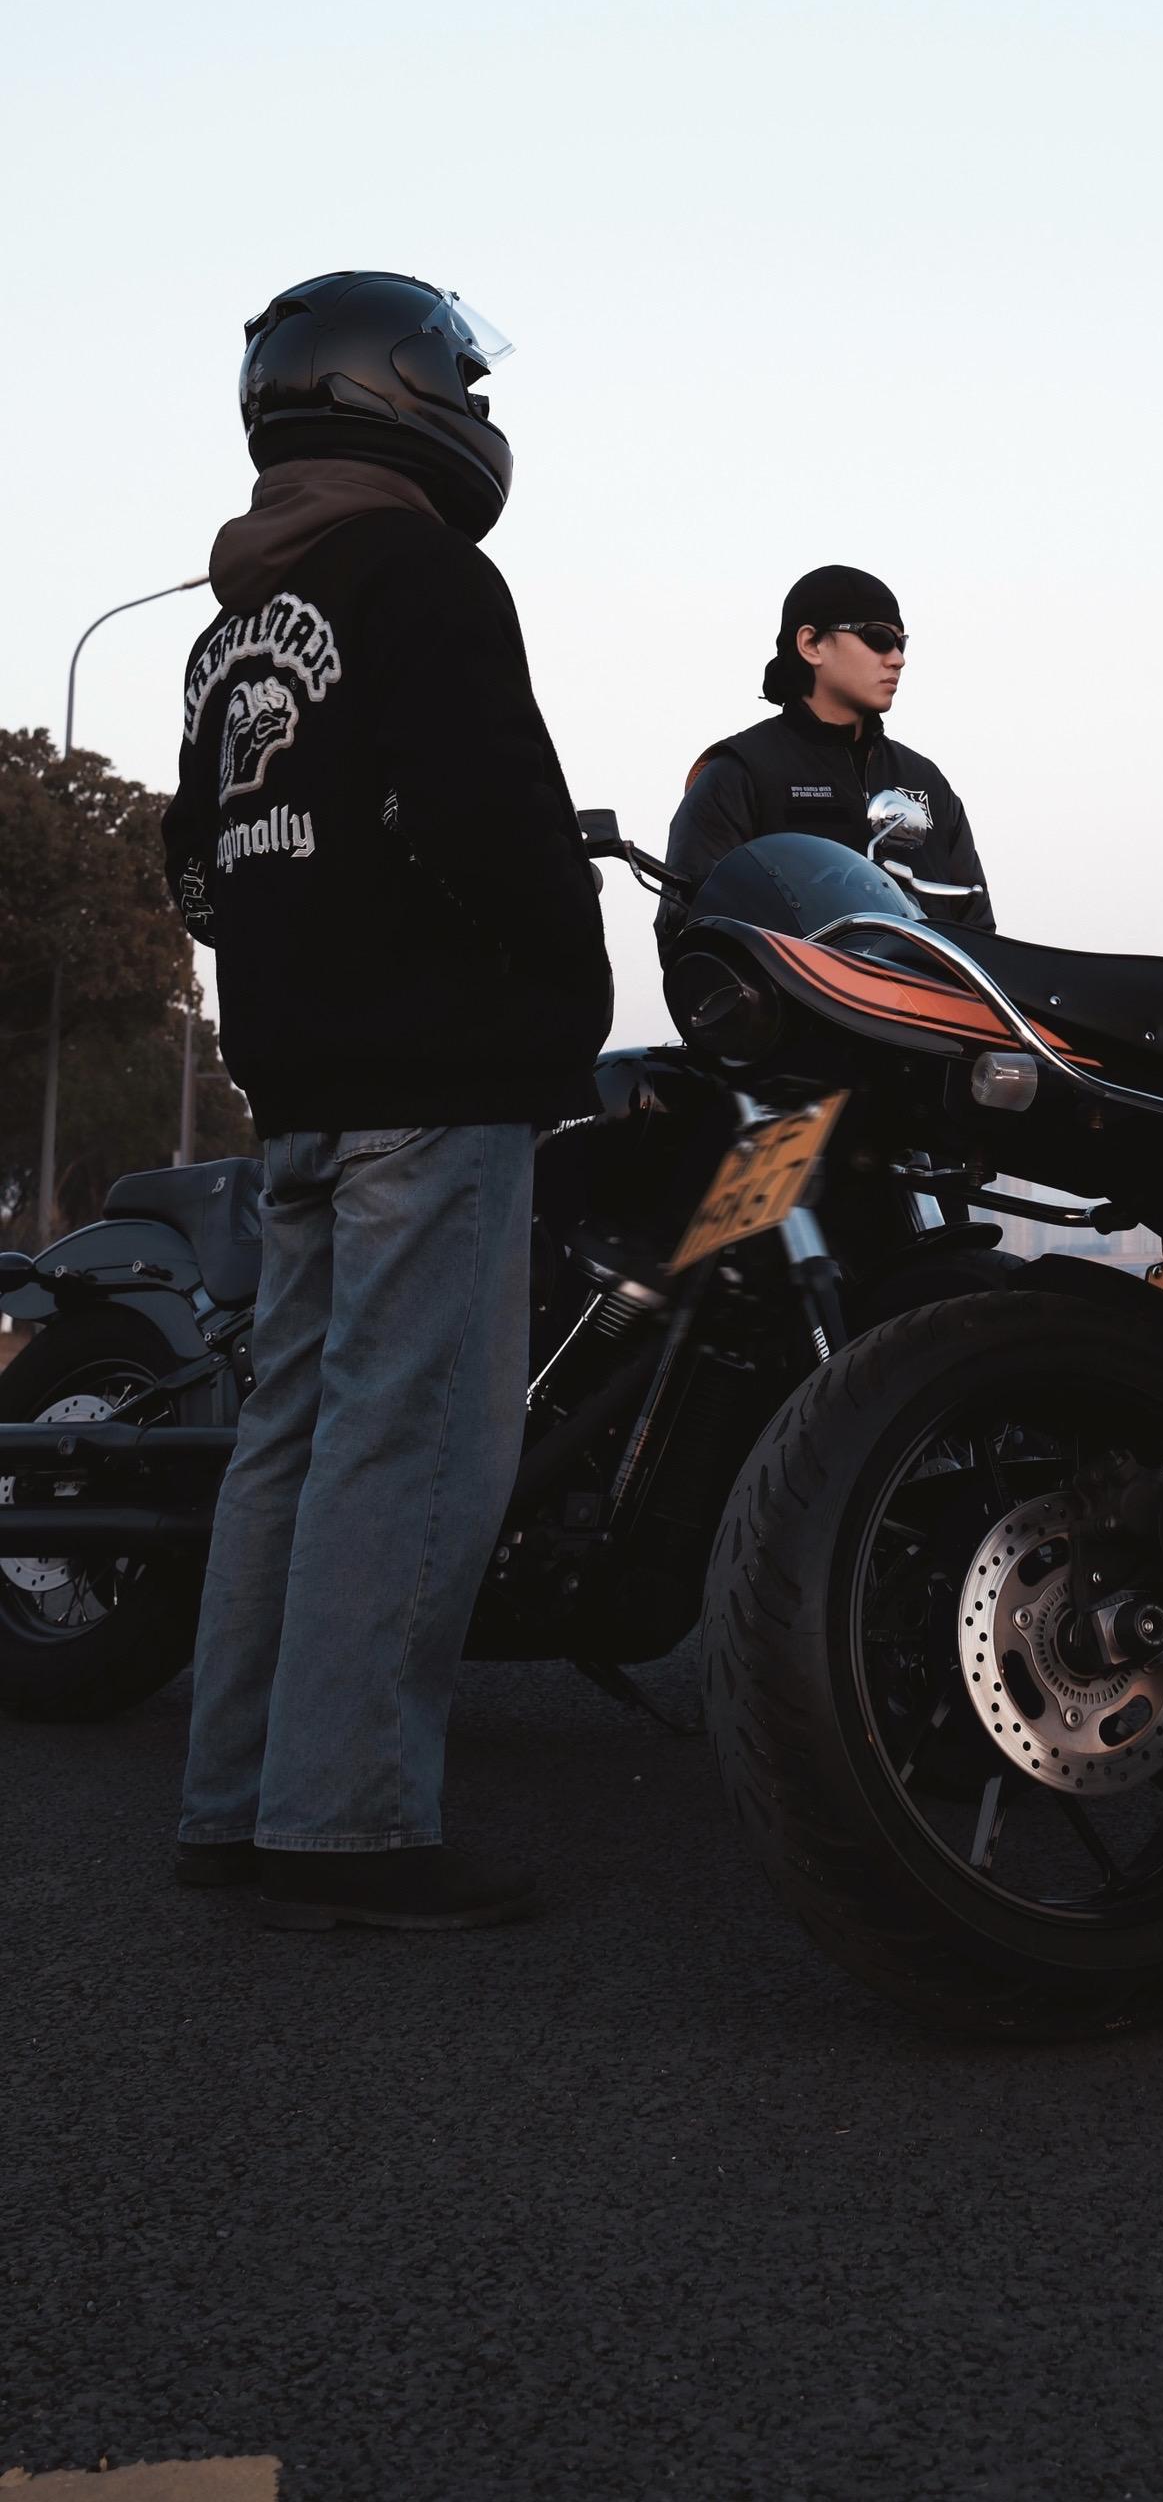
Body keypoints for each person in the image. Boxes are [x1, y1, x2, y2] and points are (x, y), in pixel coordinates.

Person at [163, 270, 613, 1932]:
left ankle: (238, 1803)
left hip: (296, 1087)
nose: (476, 407)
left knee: (289, 1442)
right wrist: (563, 997)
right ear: (393, 392)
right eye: (459, 380)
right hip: (433, 1077)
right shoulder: (423, 576)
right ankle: (347, 1823)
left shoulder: (231, 628)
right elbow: (498, 817)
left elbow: (195, 863)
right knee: (410, 1445)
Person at [658, 562, 992, 951]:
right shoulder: (740, 772)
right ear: (811, 644)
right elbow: (692, 933)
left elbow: (979, 935)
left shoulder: (925, 781)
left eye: (901, 643)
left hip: (924, 992)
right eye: (878, 638)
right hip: (800, 991)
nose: (897, 659)